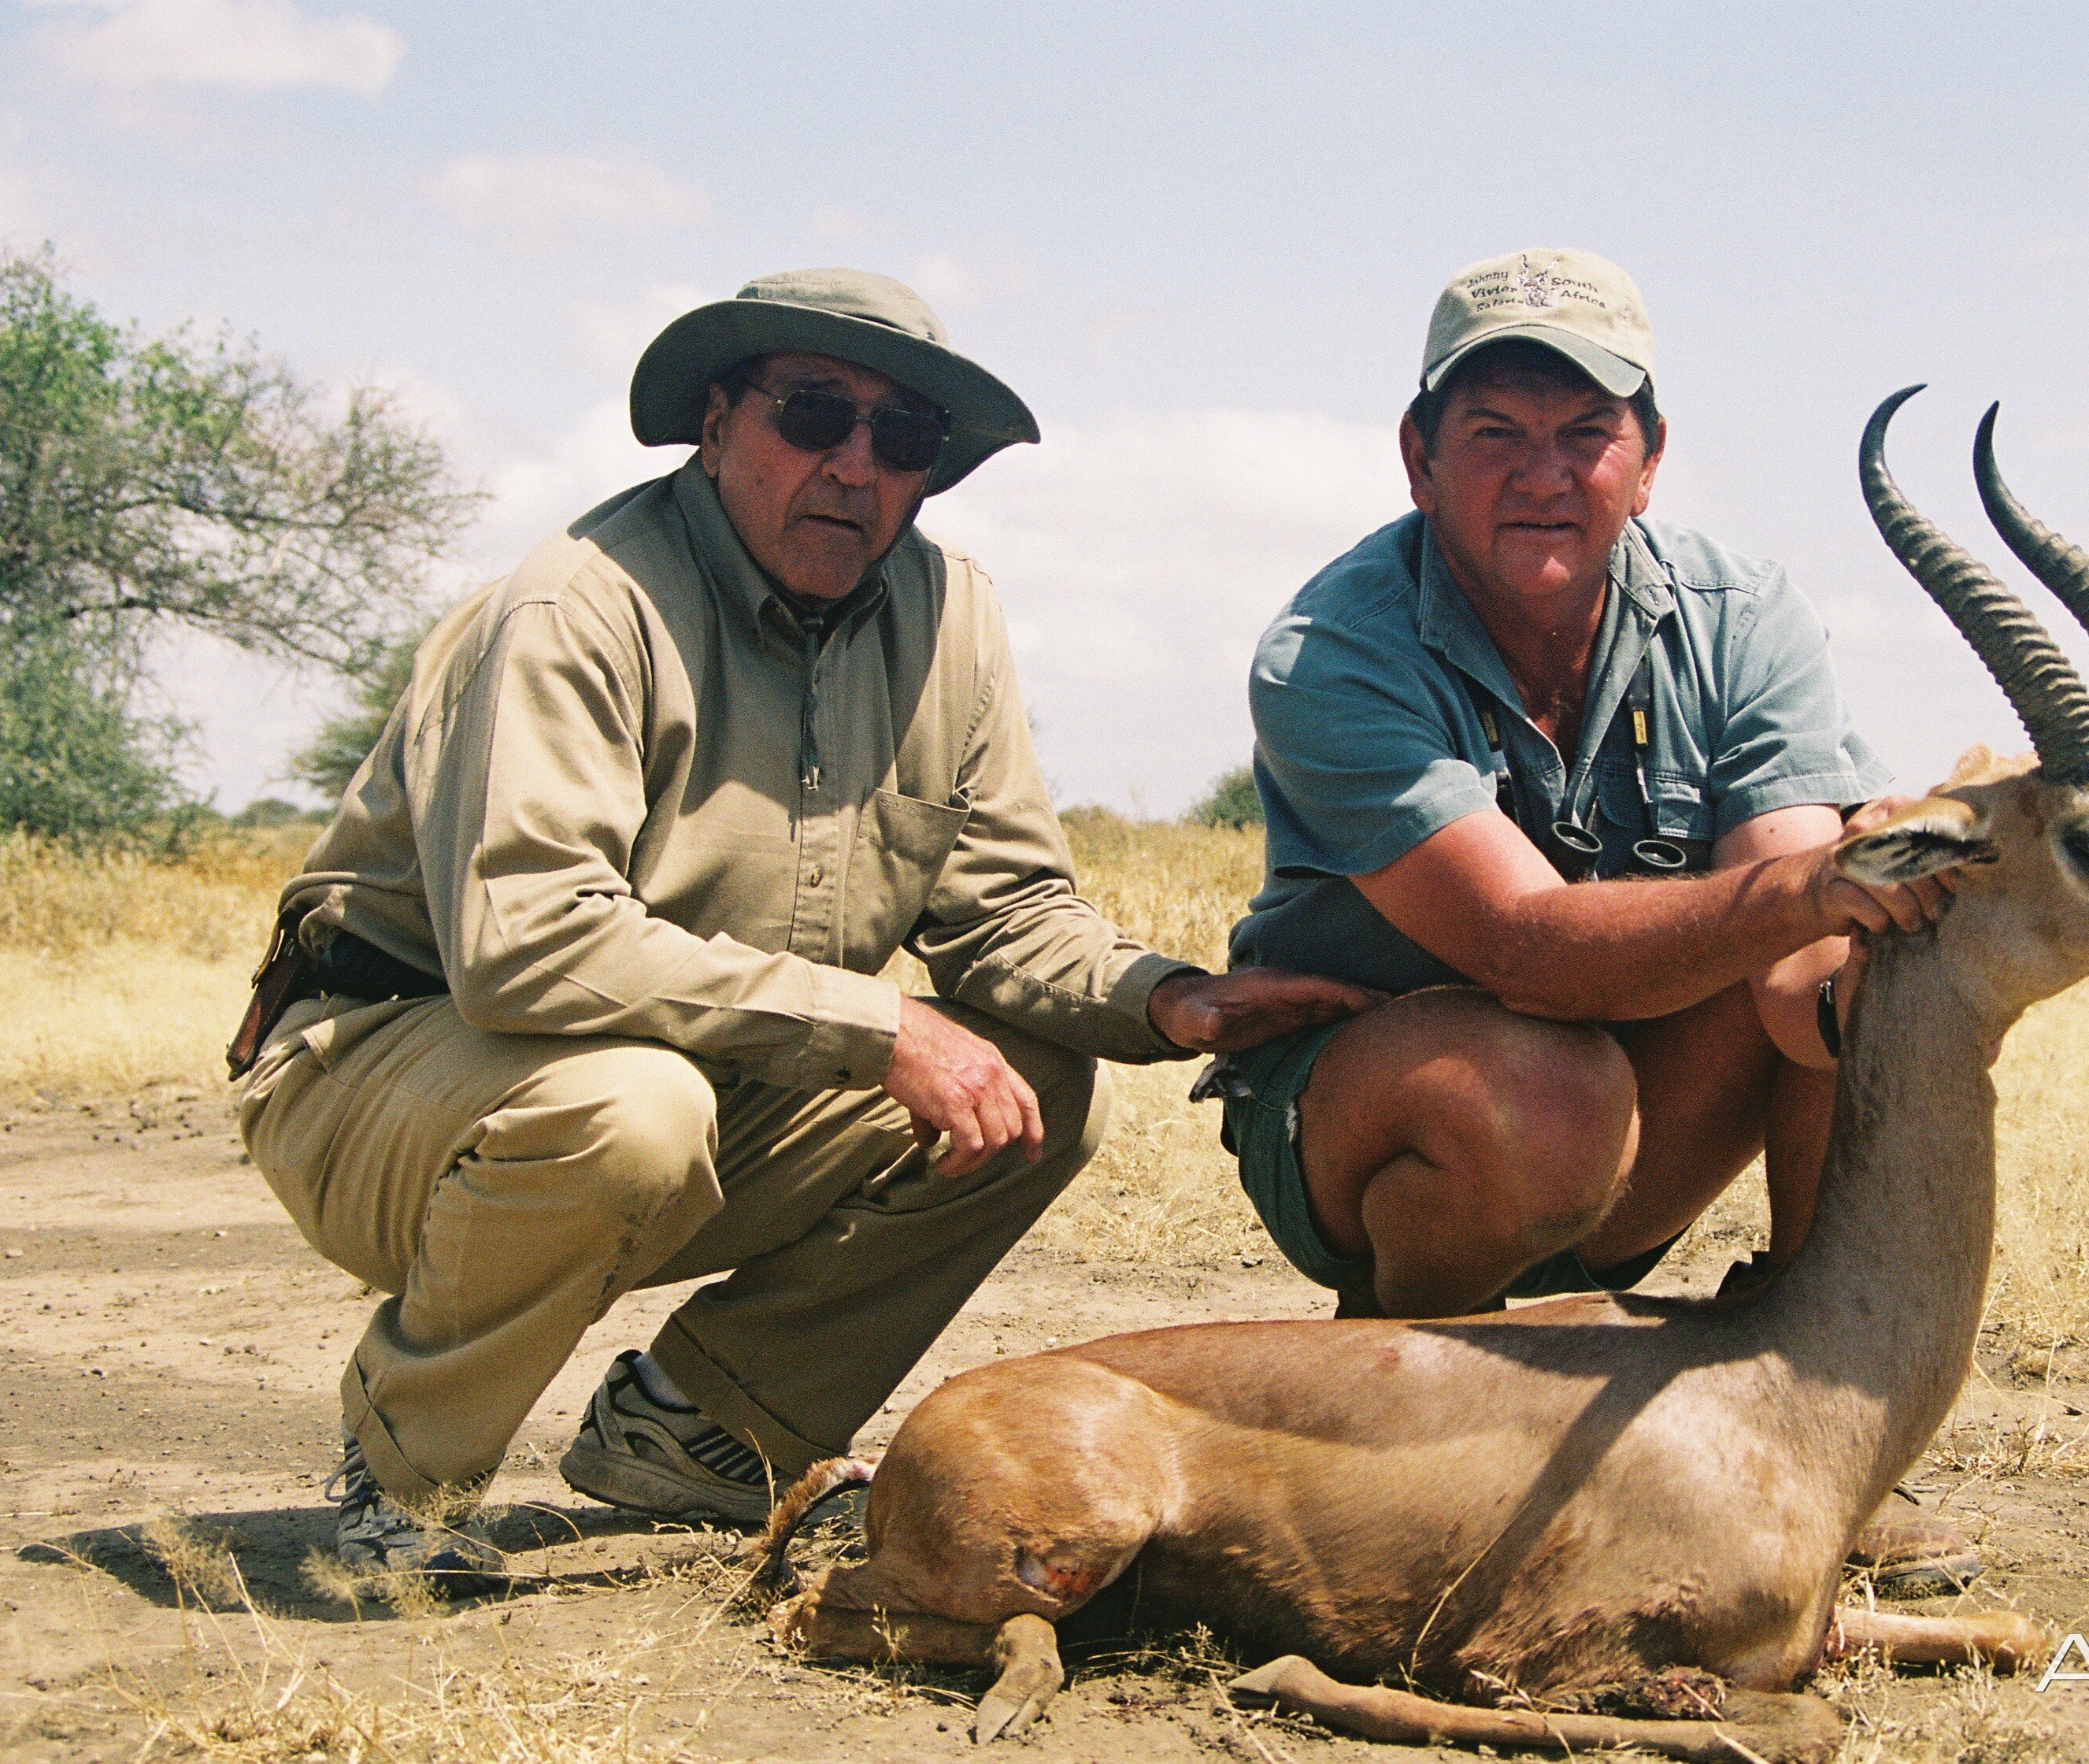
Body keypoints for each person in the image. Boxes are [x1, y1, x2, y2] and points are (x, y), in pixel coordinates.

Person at [231, 270, 1369, 1585]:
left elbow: (1005, 911)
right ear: (716, 425)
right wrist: (881, 1022)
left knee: (1036, 1091)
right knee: (630, 1112)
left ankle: (706, 1430)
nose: (854, 465)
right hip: (387, 1076)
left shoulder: (951, 616)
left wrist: (1169, 999)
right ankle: (404, 1485)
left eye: (901, 440)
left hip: (698, 1080)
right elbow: (527, 942)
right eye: (814, 414)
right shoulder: (578, 607)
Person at [1209, 247, 1969, 1584]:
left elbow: (1798, 967)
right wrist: (1812, 884)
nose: (1544, 473)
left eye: (1586, 434)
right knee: (1543, 1089)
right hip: (1383, 1107)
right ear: (1418, 457)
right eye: (1494, 434)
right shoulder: (1331, 647)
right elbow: (1523, 949)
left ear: (1652, 455)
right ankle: (1409, 1403)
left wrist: (1906, 932)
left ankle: (1817, 1426)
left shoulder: (1744, 615)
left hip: (1630, 1115)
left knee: (1865, 978)